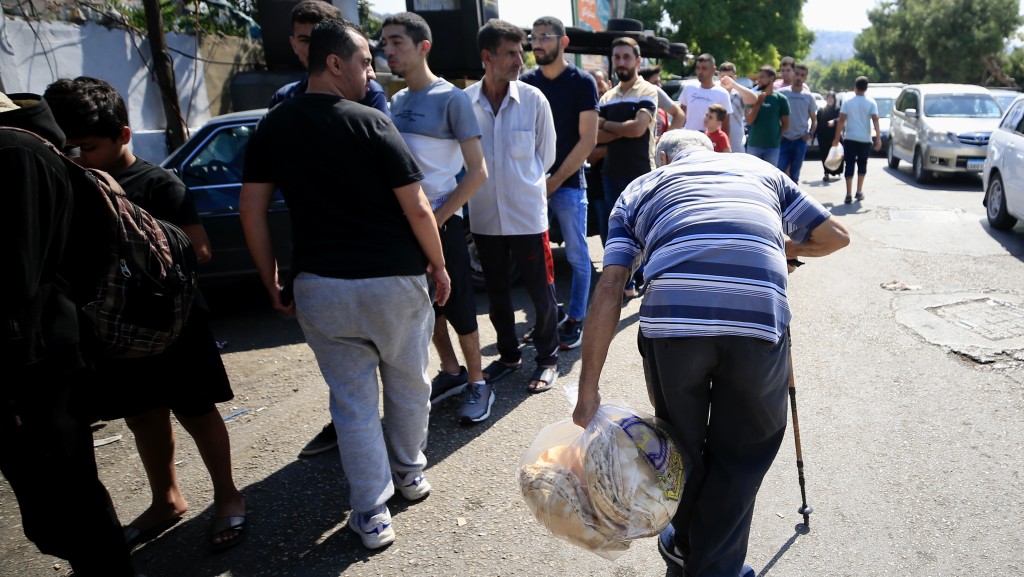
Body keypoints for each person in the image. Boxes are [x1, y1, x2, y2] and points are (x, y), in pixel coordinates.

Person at [572, 129, 850, 577]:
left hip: (673, 324)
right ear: (714, 150)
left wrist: (588, 394)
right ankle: (714, 565)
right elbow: (836, 236)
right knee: (742, 452)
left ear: (661, 157)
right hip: (756, 320)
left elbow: (611, 285)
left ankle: (686, 544)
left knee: (679, 445)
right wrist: (780, 247)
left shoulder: (642, 187)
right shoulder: (760, 171)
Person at [240, 18, 449, 550]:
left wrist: (271, 277)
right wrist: (441, 266)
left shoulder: (275, 125)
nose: (370, 70)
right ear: (334, 63)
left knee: (352, 401)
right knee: (408, 384)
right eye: (362, 61)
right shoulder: (372, 123)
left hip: (321, 286)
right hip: (394, 283)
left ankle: (372, 514)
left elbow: (252, 207)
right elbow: (419, 207)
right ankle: (410, 474)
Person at [43, 77, 247, 552]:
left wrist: (128, 226)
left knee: (197, 411)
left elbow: (198, 249)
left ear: (124, 135)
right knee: (142, 417)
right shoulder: (69, 183)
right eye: (69, 148)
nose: (78, 157)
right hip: (115, 332)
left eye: (89, 147)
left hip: (174, 326)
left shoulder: (158, 183)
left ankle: (228, 496)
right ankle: (166, 499)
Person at [1, 91, 138, 577]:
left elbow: (18, 277)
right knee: (54, 506)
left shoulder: (14, 152)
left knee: (67, 500)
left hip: (35, 363)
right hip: (37, 356)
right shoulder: (25, 147)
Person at [279, 2, 388, 458]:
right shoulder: (282, 103)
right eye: (304, 40)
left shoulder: (370, 97)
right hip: (317, 259)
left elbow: (391, 182)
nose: (311, 50)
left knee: (397, 371)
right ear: (294, 43)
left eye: (316, 40)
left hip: (375, 258)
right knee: (346, 376)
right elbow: (268, 191)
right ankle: (354, 431)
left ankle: (398, 458)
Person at [381, 12, 492, 423]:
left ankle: (479, 382)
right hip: (405, 222)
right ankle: (450, 371)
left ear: (422, 46)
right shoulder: (396, 101)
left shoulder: (452, 99)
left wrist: (440, 217)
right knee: (423, 305)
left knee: (459, 303)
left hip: (443, 219)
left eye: (397, 42)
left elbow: (478, 172)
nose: (388, 50)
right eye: (385, 43)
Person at [464, 19, 559, 394]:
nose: (520, 60)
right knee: (497, 293)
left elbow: (545, 155)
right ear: (487, 57)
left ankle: (548, 358)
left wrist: (522, 184)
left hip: (527, 217)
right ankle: (508, 356)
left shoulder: (534, 100)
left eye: (521, 52)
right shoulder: (466, 103)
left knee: (542, 291)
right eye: (510, 53)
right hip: (485, 218)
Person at [521, 15, 599, 350]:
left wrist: (552, 182)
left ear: (563, 42)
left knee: (579, 258)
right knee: (533, 260)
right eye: (533, 37)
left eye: (545, 37)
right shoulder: (525, 81)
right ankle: (547, 318)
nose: (537, 43)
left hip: (567, 186)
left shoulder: (582, 82)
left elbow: (587, 141)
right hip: (529, 185)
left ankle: (576, 320)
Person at [597, 36, 658, 299]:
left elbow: (637, 129)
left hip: (641, 173)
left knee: (645, 231)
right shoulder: (607, 96)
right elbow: (594, 137)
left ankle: (649, 280)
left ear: (638, 61)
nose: (621, 62)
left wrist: (609, 125)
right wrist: (624, 129)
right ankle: (627, 282)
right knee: (617, 233)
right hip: (611, 173)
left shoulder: (647, 91)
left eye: (626, 57)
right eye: (617, 57)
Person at [269, 0, 388, 116]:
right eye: (305, 40)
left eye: (320, 41)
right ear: (294, 44)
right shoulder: (283, 97)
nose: (313, 48)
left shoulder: (368, 92)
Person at [833, 76, 881, 204]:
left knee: (849, 164)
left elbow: (841, 120)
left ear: (855, 87)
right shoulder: (871, 102)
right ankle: (859, 191)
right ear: (866, 88)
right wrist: (878, 138)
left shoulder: (848, 101)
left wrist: (836, 139)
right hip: (865, 139)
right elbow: (875, 119)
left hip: (850, 138)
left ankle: (848, 193)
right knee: (862, 164)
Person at [777, 62, 817, 183]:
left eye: (802, 75)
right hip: (783, 139)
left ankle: (793, 201)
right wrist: (778, 133)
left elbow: (814, 120)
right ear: (793, 74)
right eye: (797, 74)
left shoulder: (809, 97)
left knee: (794, 176)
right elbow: (775, 116)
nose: (799, 77)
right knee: (779, 173)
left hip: (800, 140)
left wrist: (810, 134)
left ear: (805, 77)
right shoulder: (782, 93)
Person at [678, 53, 732, 141]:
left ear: (713, 69)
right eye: (698, 68)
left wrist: (723, 146)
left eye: (704, 68)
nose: (700, 72)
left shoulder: (722, 93)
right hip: (688, 139)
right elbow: (680, 115)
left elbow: (725, 124)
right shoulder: (689, 88)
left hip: (710, 142)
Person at [744, 66, 789, 165]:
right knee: (753, 176)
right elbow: (749, 121)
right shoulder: (752, 97)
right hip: (754, 145)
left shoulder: (781, 99)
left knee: (770, 176)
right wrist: (758, 104)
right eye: (758, 77)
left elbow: (785, 124)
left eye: (762, 77)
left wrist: (777, 137)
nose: (759, 80)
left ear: (772, 78)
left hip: (772, 147)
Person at [640, 64, 685, 136]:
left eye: (659, 82)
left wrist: (663, 139)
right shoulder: (634, 107)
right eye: (655, 83)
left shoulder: (663, 111)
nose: (660, 86)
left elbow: (680, 116)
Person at [717, 61, 746, 153]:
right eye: (723, 77)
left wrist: (734, 85)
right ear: (718, 76)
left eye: (730, 77)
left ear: (735, 77)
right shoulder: (714, 93)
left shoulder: (740, 94)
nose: (726, 80)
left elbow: (754, 99)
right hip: (717, 143)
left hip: (737, 144)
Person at [816, 91, 844, 181]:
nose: (830, 100)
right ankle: (826, 173)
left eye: (832, 98)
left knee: (836, 155)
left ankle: (837, 171)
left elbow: (841, 119)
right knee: (825, 155)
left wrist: (834, 121)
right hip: (823, 136)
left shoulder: (838, 109)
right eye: (828, 98)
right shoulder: (821, 110)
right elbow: (817, 122)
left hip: (835, 136)